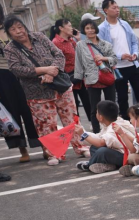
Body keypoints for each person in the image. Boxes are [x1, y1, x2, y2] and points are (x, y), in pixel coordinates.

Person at [3, 16, 88, 165]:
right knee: (46, 125)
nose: (18, 31)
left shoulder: (39, 37)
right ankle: (55, 153)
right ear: (9, 33)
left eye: (20, 27)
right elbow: (16, 69)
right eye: (13, 29)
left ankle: (80, 147)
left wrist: (51, 72)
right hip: (37, 93)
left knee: (71, 118)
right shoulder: (10, 48)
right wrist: (43, 70)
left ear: (25, 26)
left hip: (60, 86)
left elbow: (58, 54)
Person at [98, 0, 139, 118]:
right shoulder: (102, 28)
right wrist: (120, 56)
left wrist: (135, 53)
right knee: (122, 97)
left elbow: (134, 42)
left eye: (117, 7)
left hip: (132, 64)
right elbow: (102, 50)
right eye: (113, 8)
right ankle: (126, 121)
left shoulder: (124, 24)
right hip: (117, 67)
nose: (117, 10)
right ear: (106, 10)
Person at [0, 29, 41, 163]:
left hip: (24, 72)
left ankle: (44, 146)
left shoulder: (12, 29)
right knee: (12, 113)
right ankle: (22, 149)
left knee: (32, 110)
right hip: (3, 76)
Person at [74, 19, 118, 133]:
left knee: (111, 106)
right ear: (84, 30)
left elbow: (114, 59)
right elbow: (78, 62)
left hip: (107, 77)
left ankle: (113, 132)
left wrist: (103, 58)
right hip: (91, 79)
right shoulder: (80, 45)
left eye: (92, 28)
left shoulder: (106, 44)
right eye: (87, 28)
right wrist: (77, 78)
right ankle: (97, 133)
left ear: (96, 29)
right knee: (94, 109)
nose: (90, 30)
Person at [73, 99, 137, 174]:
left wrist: (83, 134)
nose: (96, 114)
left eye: (97, 112)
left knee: (102, 151)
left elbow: (100, 143)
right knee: (94, 147)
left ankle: (90, 164)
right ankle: (108, 164)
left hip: (127, 157)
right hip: (119, 152)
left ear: (100, 117)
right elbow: (98, 137)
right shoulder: (117, 122)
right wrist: (83, 132)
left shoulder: (113, 127)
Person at [51, 18, 91, 122]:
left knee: (88, 101)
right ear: (61, 28)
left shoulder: (71, 40)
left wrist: (78, 39)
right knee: (73, 105)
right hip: (68, 79)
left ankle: (93, 124)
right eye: (69, 26)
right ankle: (76, 126)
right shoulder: (56, 42)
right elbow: (56, 62)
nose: (71, 28)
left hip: (80, 76)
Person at [116, 103, 139, 176]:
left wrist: (122, 134)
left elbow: (133, 149)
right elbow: (135, 140)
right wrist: (123, 133)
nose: (130, 121)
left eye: (131, 118)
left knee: (131, 157)